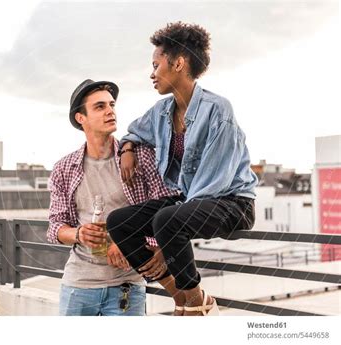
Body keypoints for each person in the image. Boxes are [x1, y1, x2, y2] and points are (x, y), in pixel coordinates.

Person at [107, 22, 258, 316]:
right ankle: (182, 296)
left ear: (178, 63)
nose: (151, 73)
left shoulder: (218, 110)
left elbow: (213, 182)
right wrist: (127, 149)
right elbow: (134, 132)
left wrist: (167, 244)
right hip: (190, 203)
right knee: (119, 222)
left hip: (231, 203)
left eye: (156, 64)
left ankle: (197, 305)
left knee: (167, 220)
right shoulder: (162, 110)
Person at [47, 79, 185, 316]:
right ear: (81, 118)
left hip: (127, 286)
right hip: (78, 285)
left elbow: (168, 208)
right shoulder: (64, 168)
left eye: (111, 105)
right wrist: (79, 234)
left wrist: (132, 244)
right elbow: (55, 227)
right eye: (100, 107)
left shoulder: (139, 157)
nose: (110, 110)